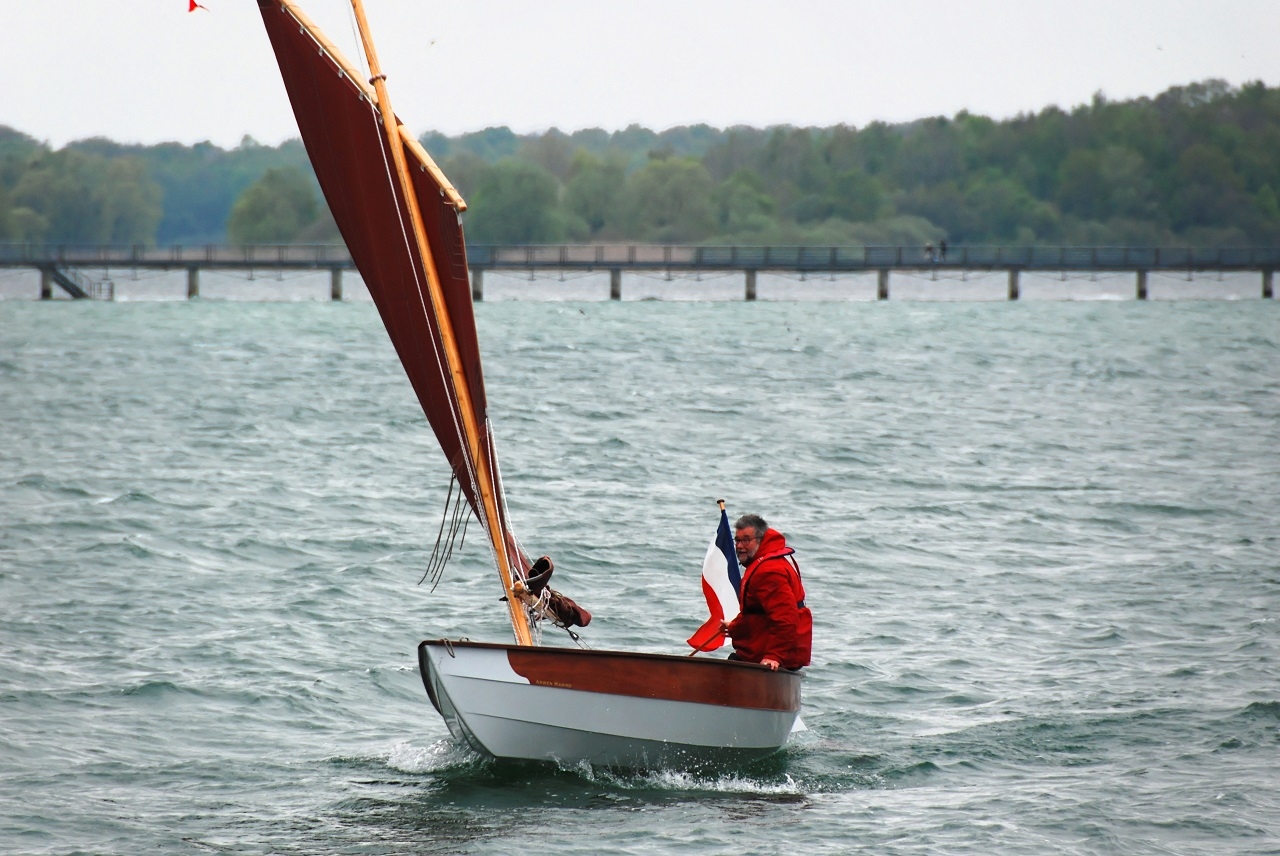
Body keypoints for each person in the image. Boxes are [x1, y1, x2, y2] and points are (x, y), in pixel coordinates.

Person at [722, 514, 812, 671]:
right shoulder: (768, 562)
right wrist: (735, 627)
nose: (740, 546)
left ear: (760, 540)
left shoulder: (769, 572)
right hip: (767, 650)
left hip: (774, 658)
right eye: (737, 540)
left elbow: (786, 618)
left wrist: (774, 656)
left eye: (746, 540)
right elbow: (758, 613)